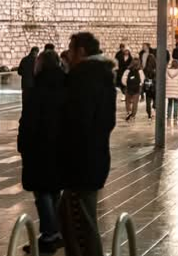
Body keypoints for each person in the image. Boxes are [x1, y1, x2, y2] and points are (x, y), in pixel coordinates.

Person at [58, 33, 116, 256]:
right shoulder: (101, 76)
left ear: (81, 51)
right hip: (94, 157)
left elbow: (77, 121)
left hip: (80, 162)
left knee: (80, 225)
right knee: (74, 216)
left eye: (71, 50)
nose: (69, 55)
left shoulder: (83, 77)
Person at [18, 50, 66, 252]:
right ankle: (57, 232)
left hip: (40, 146)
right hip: (60, 145)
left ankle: (49, 234)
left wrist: (23, 144)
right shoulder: (67, 85)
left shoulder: (38, 89)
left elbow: (29, 120)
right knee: (55, 190)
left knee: (42, 192)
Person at [142, 47, 157, 120]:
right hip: (155, 86)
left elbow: (143, 77)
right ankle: (154, 109)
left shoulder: (145, 69)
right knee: (155, 98)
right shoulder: (157, 68)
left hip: (148, 85)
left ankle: (149, 114)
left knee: (148, 100)